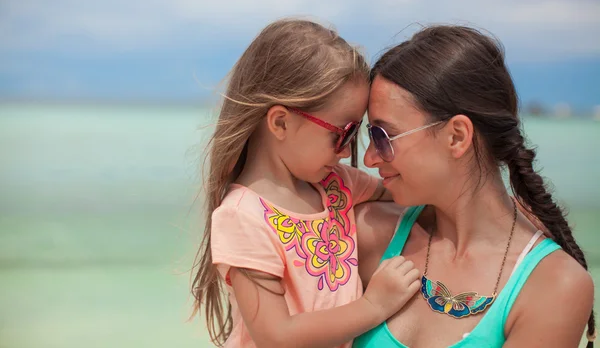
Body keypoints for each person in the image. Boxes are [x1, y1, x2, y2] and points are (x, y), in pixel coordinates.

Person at [353, 25, 596, 348]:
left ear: (457, 136)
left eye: (383, 137)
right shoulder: (369, 232)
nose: (369, 158)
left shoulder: (554, 285)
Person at [190, 19, 421, 348]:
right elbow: (276, 337)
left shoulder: (337, 186)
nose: (346, 152)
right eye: (342, 133)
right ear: (281, 122)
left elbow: (407, 196)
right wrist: (374, 306)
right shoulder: (242, 218)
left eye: (357, 134)